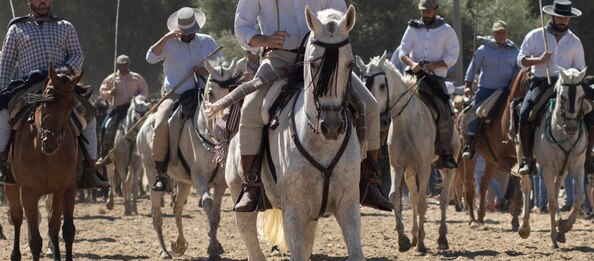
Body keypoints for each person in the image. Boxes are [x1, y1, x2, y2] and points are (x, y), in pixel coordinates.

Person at [232, 0, 393, 212]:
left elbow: (343, 19)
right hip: (279, 57)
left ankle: (371, 182)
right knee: (250, 110)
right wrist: (265, 39)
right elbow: (242, 26)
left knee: (370, 107)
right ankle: (252, 185)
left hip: (325, 57)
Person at [0, 0, 108, 188]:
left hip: (61, 88)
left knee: (89, 116)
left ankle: (91, 169)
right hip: (30, 88)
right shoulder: (16, 28)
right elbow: (6, 62)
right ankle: (0, 165)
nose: (42, 2)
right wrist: (0, 92)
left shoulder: (65, 26)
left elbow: (78, 55)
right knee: (4, 114)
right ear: (29, 2)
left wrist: (61, 72)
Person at [146, 7, 220, 191]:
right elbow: (150, 58)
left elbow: (220, 67)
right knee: (161, 123)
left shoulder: (207, 41)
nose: (187, 35)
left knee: (228, 117)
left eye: (190, 31)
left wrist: (206, 70)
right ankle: (161, 173)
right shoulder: (168, 43)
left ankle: (233, 166)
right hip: (175, 95)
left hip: (204, 93)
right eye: (183, 32)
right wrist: (165, 38)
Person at [516, 0, 591, 175]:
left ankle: (588, 157)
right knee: (525, 112)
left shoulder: (575, 41)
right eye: (560, 16)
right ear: (552, 16)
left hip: (568, 85)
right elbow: (521, 60)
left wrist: (571, 76)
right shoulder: (535, 35)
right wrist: (539, 60)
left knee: (591, 110)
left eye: (566, 17)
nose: (563, 20)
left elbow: (580, 68)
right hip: (542, 82)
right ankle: (528, 159)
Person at [399, 0, 460, 169]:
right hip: (412, 76)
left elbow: (453, 56)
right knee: (393, 104)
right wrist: (412, 64)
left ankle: (445, 152)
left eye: (428, 12)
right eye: (423, 12)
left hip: (434, 80)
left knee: (445, 110)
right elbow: (402, 52)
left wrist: (435, 65)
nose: (425, 15)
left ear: (435, 10)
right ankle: (390, 147)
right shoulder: (412, 28)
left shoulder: (447, 31)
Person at [462, 20, 520, 160]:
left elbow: (519, 68)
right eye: (498, 32)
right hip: (486, 89)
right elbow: (473, 67)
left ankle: (522, 140)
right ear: (493, 33)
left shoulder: (515, 51)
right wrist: (467, 86)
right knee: (477, 111)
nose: (501, 35)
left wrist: (513, 80)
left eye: (503, 32)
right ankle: (470, 141)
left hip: (506, 90)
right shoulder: (483, 50)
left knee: (519, 110)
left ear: (507, 33)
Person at [97, 55, 149, 163]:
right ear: (118, 66)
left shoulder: (136, 78)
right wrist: (110, 93)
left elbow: (144, 91)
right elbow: (102, 92)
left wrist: (137, 99)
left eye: (126, 65)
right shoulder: (111, 79)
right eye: (122, 65)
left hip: (133, 108)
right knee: (104, 127)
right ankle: (105, 153)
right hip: (117, 109)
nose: (125, 67)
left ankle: (148, 150)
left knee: (146, 125)